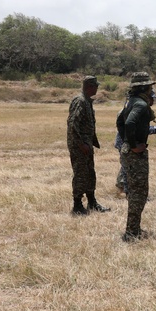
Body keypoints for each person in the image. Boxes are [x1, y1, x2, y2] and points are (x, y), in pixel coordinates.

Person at [116, 72, 156, 241]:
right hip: (134, 154)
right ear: (143, 87)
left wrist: (126, 140)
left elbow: (120, 121)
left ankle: (133, 229)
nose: (151, 89)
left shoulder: (131, 101)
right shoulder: (140, 104)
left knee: (134, 191)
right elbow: (129, 123)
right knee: (139, 193)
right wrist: (133, 145)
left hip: (129, 151)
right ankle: (132, 232)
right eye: (149, 86)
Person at [67, 75, 110, 216]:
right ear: (89, 86)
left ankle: (92, 202)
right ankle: (77, 205)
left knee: (90, 173)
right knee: (80, 174)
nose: (97, 88)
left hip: (86, 144)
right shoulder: (80, 101)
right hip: (79, 145)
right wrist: (80, 144)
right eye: (95, 86)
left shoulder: (87, 101)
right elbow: (73, 124)